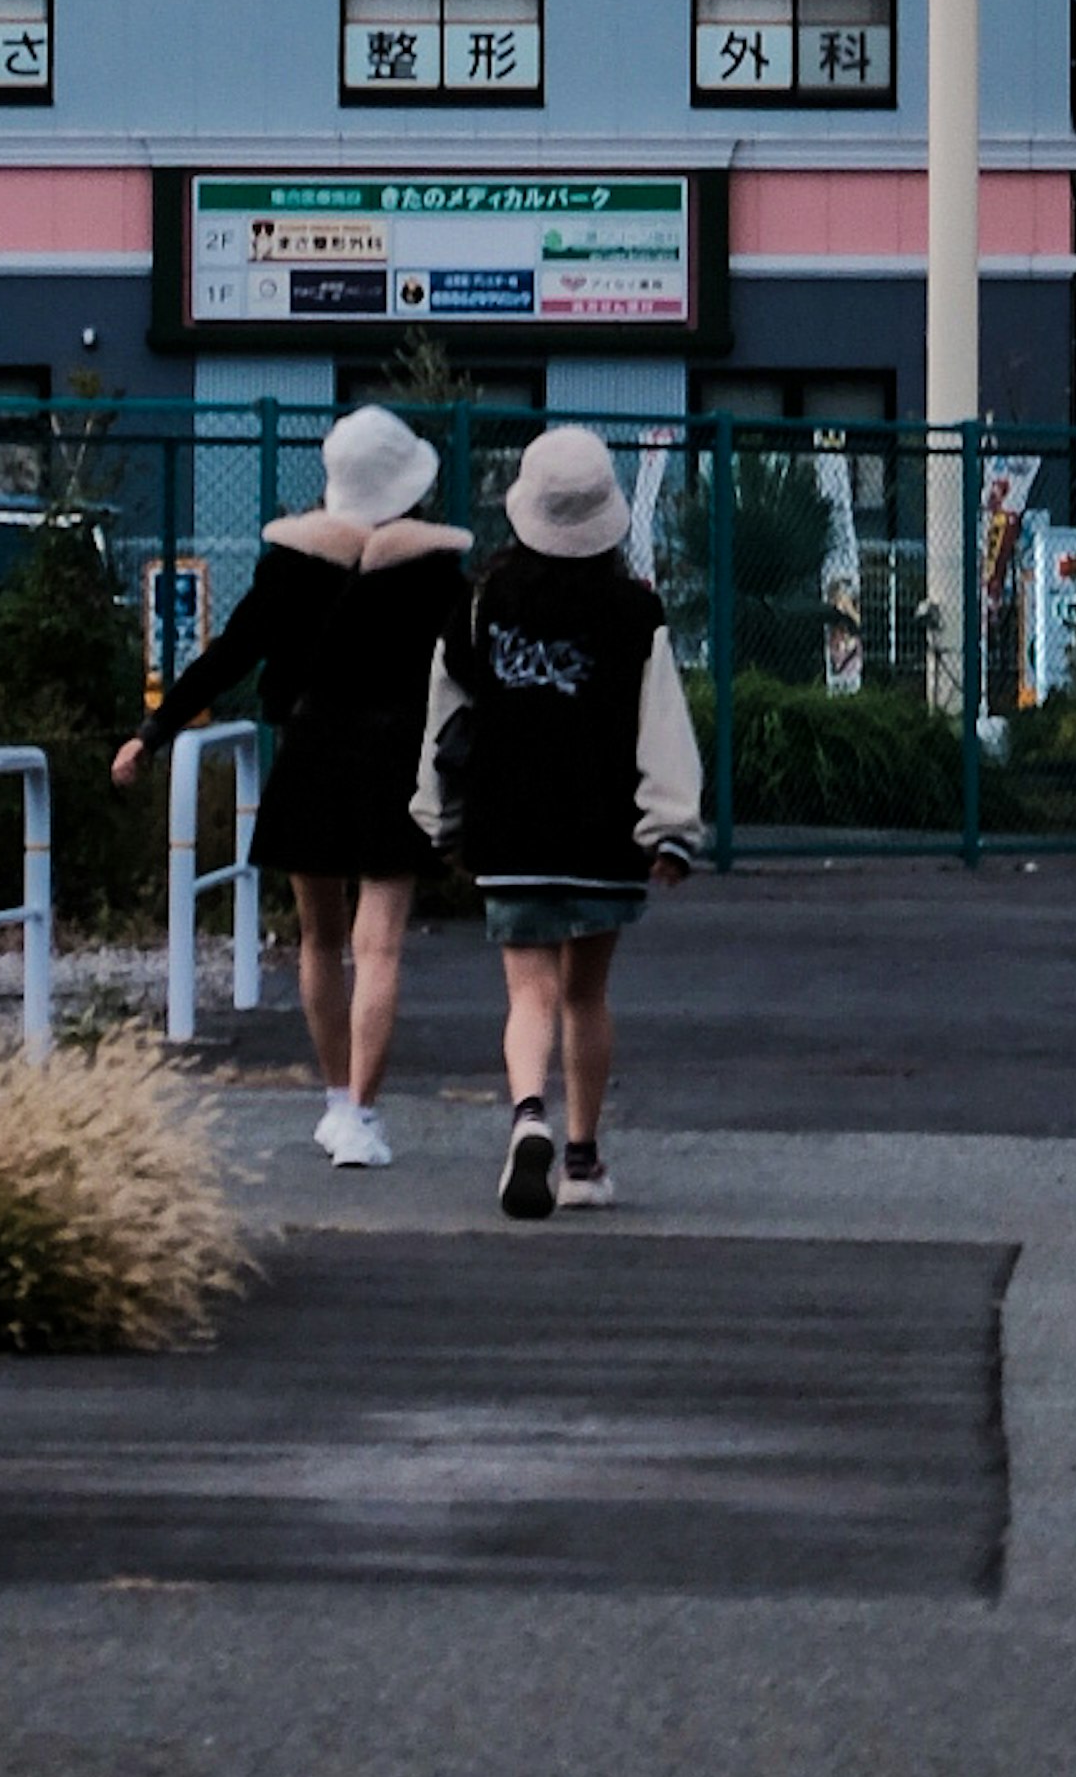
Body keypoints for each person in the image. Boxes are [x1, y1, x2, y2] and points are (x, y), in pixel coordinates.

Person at [113, 405, 469, 1166]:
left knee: (319, 939)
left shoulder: (290, 562)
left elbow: (231, 653)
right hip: (397, 759)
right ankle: (363, 1120)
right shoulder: (438, 573)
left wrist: (153, 731)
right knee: (381, 949)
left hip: (309, 750)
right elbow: (472, 672)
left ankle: (335, 1099)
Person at [416, 421, 701, 1219]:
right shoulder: (633, 612)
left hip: (508, 831)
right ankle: (581, 1159)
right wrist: (671, 829)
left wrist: (439, 819)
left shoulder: (480, 606)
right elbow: (663, 725)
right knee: (586, 997)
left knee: (528, 998)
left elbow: (445, 720)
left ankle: (527, 1117)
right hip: (602, 833)